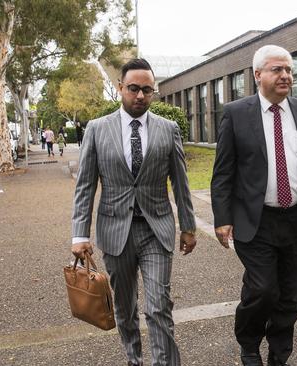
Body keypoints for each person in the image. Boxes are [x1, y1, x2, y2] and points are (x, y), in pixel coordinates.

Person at [210, 45, 297, 366]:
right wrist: (222, 218)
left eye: (289, 70)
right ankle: (249, 343)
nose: (286, 76)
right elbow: (223, 172)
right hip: (255, 220)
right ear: (258, 75)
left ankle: (279, 354)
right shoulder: (236, 113)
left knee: (293, 296)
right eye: (277, 70)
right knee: (263, 289)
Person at [71, 58, 197, 366]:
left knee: (158, 306)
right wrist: (79, 234)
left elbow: (180, 182)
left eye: (147, 90)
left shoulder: (168, 130)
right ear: (120, 88)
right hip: (116, 232)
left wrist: (188, 226)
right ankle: (134, 358)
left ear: (154, 92)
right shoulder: (98, 130)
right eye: (133, 89)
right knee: (125, 308)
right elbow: (85, 185)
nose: (140, 96)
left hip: (156, 229)